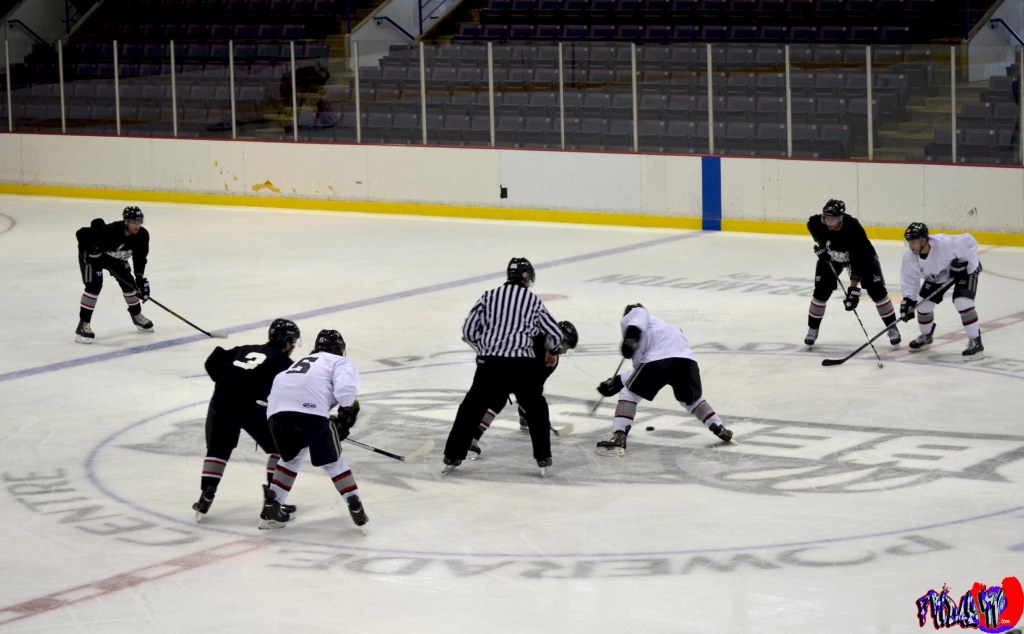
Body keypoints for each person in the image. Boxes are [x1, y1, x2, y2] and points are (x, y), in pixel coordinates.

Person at [442, 257, 565, 476]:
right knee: (536, 408)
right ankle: (543, 457)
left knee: (470, 408)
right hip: (522, 366)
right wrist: (553, 351)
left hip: (490, 364)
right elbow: (555, 334)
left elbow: (468, 330)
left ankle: (453, 455)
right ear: (527, 278)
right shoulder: (532, 301)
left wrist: (485, 348)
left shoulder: (489, 296)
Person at [191, 318, 302, 523]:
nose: (293, 346)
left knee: (218, 449)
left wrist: (227, 382)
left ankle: (207, 493)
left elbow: (212, 360)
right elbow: (292, 394)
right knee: (280, 448)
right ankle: (274, 500)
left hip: (220, 402)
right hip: (248, 408)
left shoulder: (246, 348)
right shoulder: (283, 362)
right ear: (286, 342)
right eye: (292, 341)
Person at [263, 329, 368, 530]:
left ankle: (273, 505)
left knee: (291, 458)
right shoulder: (340, 361)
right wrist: (346, 415)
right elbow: (346, 394)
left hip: (276, 413)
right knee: (334, 462)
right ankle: (354, 502)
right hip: (309, 412)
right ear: (339, 349)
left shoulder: (301, 362)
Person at [595, 303, 732, 456]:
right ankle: (717, 425)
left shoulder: (636, 313)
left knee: (630, 393)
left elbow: (639, 317)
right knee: (691, 399)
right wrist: (617, 381)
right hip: (687, 362)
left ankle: (619, 436)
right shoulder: (669, 328)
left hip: (660, 362)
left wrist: (629, 340)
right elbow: (643, 370)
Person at [468, 320, 579, 460]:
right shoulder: (530, 341)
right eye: (566, 347)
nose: (564, 352)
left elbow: (536, 384)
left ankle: (523, 412)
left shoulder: (552, 361)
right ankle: (472, 437)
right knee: (497, 399)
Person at [804, 199, 901, 348]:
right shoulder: (819, 222)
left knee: (877, 291)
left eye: (833, 219)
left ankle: (892, 327)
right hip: (834, 257)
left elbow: (858, 260)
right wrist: (820, 245)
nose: (829, 222)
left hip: (863, 257)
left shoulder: (853, 227)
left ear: (841, 218)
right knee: (821, 290)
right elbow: (811, 223)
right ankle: (813, 329)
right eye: (826, 218)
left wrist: (853, 288)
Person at [899, 222, 984, 359]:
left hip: (966, 270)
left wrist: (962, 262)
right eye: (909, 242)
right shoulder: (910, 256)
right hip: (938, 276)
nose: (911, 246)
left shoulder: (945, 244)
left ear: (924, 240)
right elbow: (909, 280)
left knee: (962, 302)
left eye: (913, 242)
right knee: (923, 305)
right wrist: (908, 300)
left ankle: (975, 341)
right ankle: (927, 336)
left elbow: (970, 241)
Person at [74, 205, 154, 343]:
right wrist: (93, 252)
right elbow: (81, 233)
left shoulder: (142, 235)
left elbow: (140, 258)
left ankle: (136, 315)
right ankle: (83, 324)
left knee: (130, 284)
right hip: (94, 257)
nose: (137, 225)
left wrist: (139, 280)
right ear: (126, 222)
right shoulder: (112, 230)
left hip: (114, 257)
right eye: (134, 222)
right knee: (94, 285)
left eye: (139, 221)